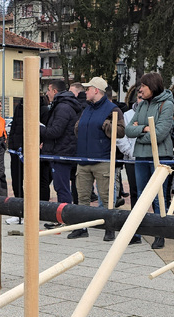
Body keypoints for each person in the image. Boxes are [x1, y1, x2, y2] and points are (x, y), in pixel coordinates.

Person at [124, 72, 174, 248]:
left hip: (160, 156)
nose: (140, 89)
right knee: (140, 196)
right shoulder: (142, 104)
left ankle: (160, 234)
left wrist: (140, 131)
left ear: (152, 86)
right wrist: (145, 129)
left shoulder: (167, 104)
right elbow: (128, 130)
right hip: (141, 156)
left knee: (158, 196)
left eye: (143, 86)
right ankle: (136, 233)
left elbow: (159, 133)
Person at [72, 76, 124, 240]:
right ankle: (82, 228)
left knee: (107, 198)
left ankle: (110, 228)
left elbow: (121, 131)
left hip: (102, 160)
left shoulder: (112, 109)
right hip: (83, 159)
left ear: (96, 90)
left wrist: (108, 126)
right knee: (82, 197)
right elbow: (79, 127)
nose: (85, 92)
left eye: (87, 89)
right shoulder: (87, 108)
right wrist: (78, 127)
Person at [39, 80, 83, 204]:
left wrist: (39, 128)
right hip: (62, 152)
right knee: (62, 188)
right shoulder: (62, 105)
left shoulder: (62, 107)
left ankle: (64, 214)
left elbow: (56, 131)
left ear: (54, 91)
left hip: (61, 153)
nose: (46, 93)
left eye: (48, 90)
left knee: (62, 189)